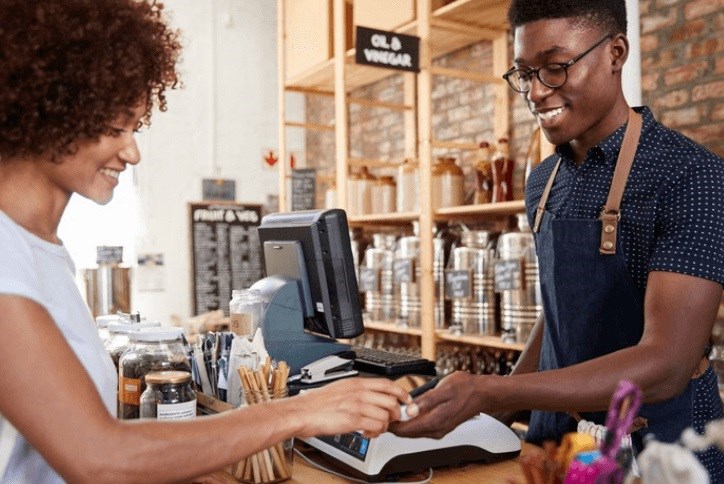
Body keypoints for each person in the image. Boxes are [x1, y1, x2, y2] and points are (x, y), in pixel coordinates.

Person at [0, 1, 414, 482]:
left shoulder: (39, 249)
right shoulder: (5, 253)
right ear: (43, 110)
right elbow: (99, 456)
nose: (132, 151)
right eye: (115, 128)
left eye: (135, 128)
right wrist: (300, 412)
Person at [391, 0, 724, 479]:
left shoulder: (691, 175)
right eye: (524, 73)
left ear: (615, 52)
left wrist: (494, 392)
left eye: (554, 68)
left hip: (660, 445)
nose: (535, 92)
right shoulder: (543, 182)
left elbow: (668, 363)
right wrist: (485, 417)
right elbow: (562, 312)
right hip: (558, 441)